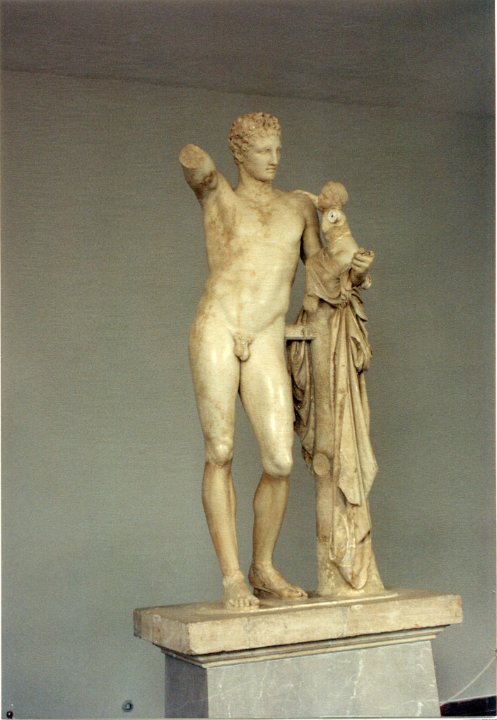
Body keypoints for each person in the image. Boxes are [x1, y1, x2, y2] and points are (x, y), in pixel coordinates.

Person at [179, 113, 321, 609]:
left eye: (278, 149)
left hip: (266, 334)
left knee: (280, 459)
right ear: (240, 154)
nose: (274, 159)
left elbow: (321, 270)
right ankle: (232, 577)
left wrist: (347, 252)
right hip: (218, 325)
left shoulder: (299, 207)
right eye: (263, 150)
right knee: (219, 450)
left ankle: (263, 566)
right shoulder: (220, 195)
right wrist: (197, 164)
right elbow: (199, 172)